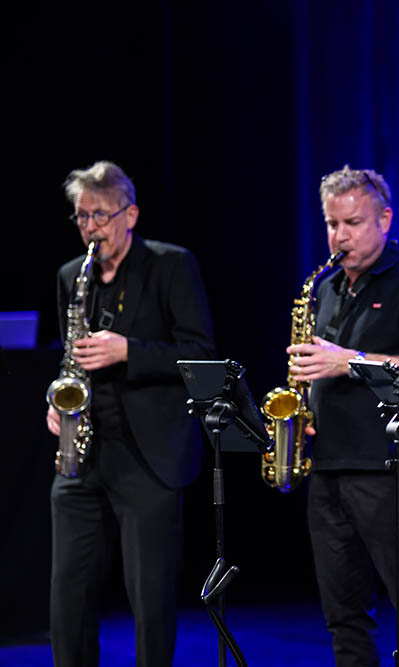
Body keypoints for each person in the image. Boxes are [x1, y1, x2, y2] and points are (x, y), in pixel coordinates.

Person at [45, 160, 215, 666]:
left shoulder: (172, 265)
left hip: (150, 457)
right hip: (84, 454)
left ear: (131, 213)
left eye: (100, 215)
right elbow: (70, 356)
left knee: (151, 600)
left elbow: (202, 357)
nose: (90, 228)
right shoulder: (71, 276)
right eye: (81, 217)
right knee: (67, 595)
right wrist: (56, 399)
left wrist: (129, 352)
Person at [287, 165, 399, 666]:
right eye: (332, 224)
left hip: (394, 473)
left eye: (353, 223)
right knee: (344, 619)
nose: (339, 236)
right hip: (329, 470)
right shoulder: (327, 287)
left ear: (384, 219)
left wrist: (350, 361)